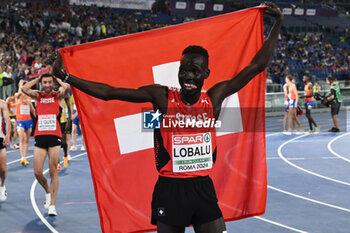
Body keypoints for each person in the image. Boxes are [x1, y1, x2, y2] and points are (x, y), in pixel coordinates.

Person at [53, 3, 283, 232]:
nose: (188, 76)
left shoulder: (214, 98)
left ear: (206, 74)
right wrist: (67, 77)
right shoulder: (162, 97)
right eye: (184, 70)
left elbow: (257, 65)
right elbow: (109, 93)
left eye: (195, 71)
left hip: (203, 187)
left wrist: (278, 23)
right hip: (170, 189)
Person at [21, 73, 69, 216]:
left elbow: (66, 86)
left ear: (53, 83)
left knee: (53, 171)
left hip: (54, 137)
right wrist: (37, 79)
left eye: (49, 82)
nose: (47, 85)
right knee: (37, 172)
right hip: (40, 137)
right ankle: (48, 191)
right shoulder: (38, 95)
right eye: (45, 83)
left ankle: (53, 205)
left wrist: (57, 79)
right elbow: (24, 88)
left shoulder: (58, 96)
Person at [15, 80, 36, 165]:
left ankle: (25, 157)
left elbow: (32, 109)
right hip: (20, 120)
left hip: (28, 120)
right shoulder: (17, 95)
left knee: (27, 140)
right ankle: (22, 157)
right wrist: (20, 84)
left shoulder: (28, 98)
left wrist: (37, 118)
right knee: (22, 138)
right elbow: (19, 93)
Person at [0, 98, 11, 201]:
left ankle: (2, 186)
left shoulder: (2, 103)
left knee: (3, 169)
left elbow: (7, 120)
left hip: (0, 138)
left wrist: (7, 135)